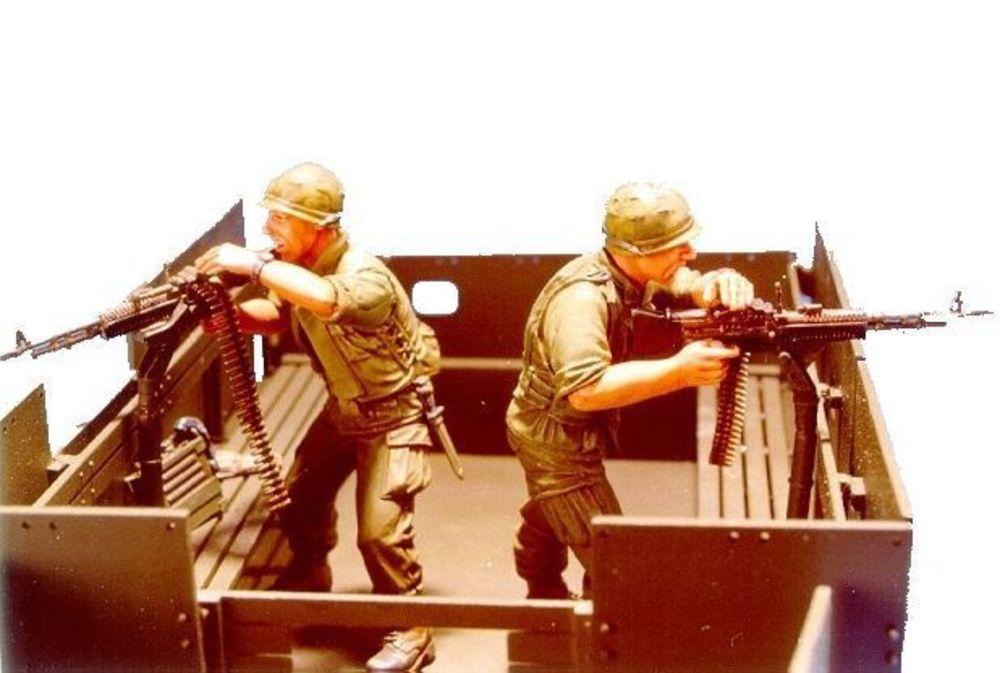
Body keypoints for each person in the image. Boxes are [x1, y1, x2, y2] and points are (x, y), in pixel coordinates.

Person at [195, 162, 439, 672]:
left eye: (281, 218)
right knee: (299, 497)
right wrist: (233, 316)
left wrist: (251, 266)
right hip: (342, 410)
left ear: (319, 226)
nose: (269, 229)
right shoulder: (299, 267)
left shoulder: (363, 276)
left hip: (393, 417)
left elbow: (326, 301)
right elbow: (283, 312)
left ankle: (413, 629)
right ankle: (310, 573)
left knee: (380, 534)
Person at [506, 182, 754, 599]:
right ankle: (574, 608)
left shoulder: (629, 273)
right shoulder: (581, 300)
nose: (690, 253)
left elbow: (681, 283)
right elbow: (585, 390)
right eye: (676, 245)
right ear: (638, 251)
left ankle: (542, 587)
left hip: (566, 431)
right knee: (617, 562)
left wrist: (714, 284)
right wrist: (679, 372)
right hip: (557, 442)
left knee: (554, 510)